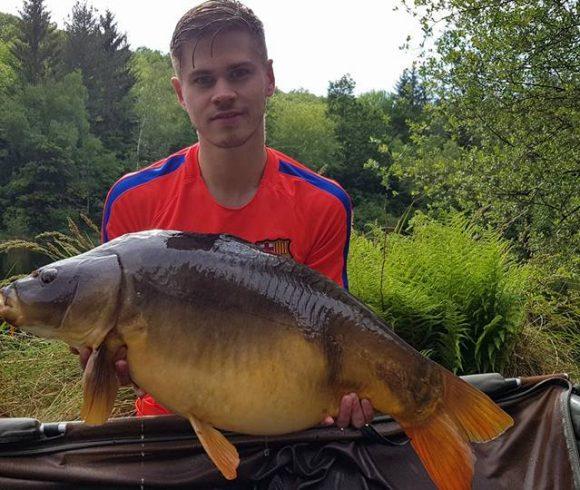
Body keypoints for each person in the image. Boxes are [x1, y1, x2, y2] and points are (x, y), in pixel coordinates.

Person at [76, 0, 373, 429]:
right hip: (169, 433)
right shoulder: (133, 201)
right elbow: (114, 364)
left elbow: (335, 340)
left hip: (283, 428)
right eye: (203, 80)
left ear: (269, 78)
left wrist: (348, 397)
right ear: (181, 93)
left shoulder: (323, 203)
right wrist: (107, 363)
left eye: (239, 73)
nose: (223, 93)